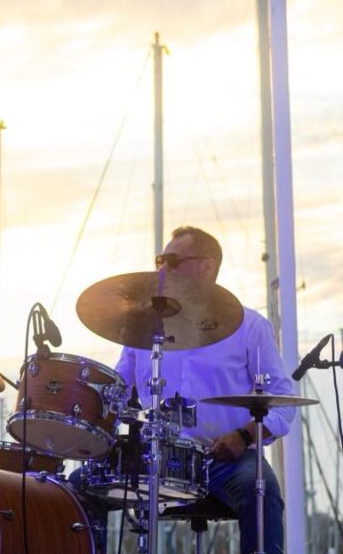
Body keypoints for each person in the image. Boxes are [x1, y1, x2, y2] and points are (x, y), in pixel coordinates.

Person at [78, 226, 295, 554]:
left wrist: (245, 436)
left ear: (207, 267)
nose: (162, 268)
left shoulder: (250, 327)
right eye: (160, 260)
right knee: (77, 489)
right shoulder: (143, 328)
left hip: (227, 458)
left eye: (172, 260)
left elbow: (283, 403)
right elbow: (117, 391)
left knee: (260, 492)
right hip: (156, 454)